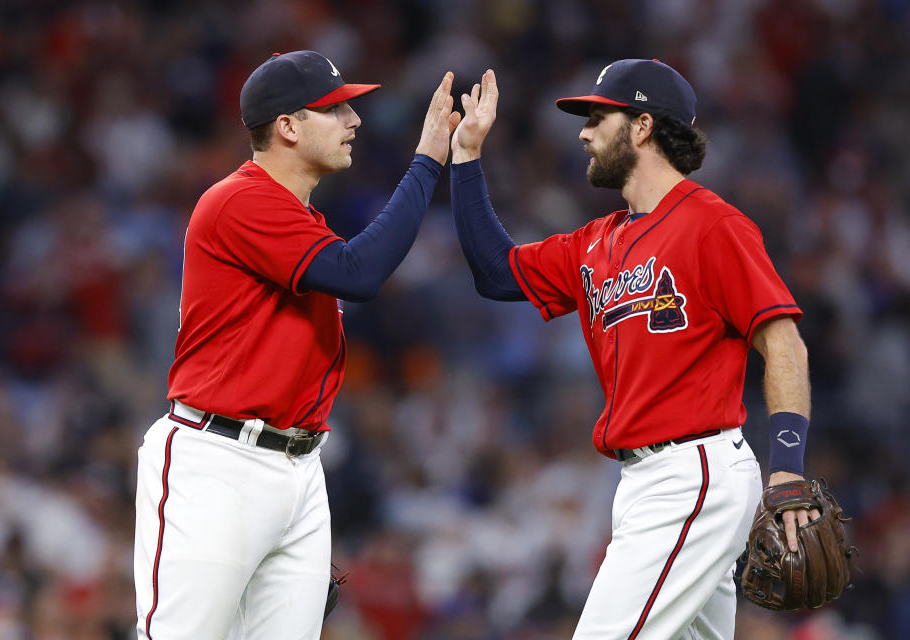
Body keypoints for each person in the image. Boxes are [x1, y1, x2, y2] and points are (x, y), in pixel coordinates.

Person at [450, 60, 819, 639]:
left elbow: (785, 345)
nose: (584, 132)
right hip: (644, 482)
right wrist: (467, 156)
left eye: (599, 117)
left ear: (643, 126)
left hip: (692, 474)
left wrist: (788, 473)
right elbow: (497, 273)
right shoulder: (597, 240)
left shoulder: (713, 225)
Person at [133, 50, 459, 640]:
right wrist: (428, 160)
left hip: (299, 466)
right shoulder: (239, 200)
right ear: (287, 126)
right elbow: (360, 274)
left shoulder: (305, 220)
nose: (354, 120)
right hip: (219, 460)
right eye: (335, 108)